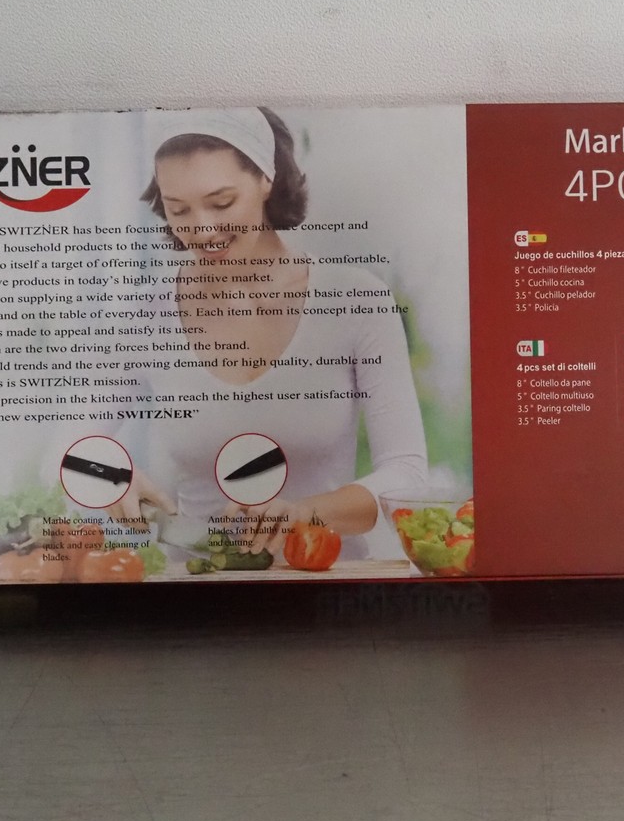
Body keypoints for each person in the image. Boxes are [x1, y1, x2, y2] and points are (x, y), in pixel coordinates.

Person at [109, 107, 428, 559]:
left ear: (266, 179)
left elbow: (407, 474)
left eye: (222, 203)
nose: (202, 230)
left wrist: (303, 514)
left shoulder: (357, 300)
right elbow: (67, 446)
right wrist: (108, 478)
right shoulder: (145, 312)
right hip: (194, 583)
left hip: (326, 579)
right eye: (179, 209)